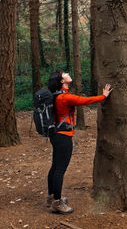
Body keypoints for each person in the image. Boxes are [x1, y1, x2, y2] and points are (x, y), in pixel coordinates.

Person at [47, 69, 113, 214]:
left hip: (56, 134)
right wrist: (103, 96)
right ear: (61, 81)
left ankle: (51, 197)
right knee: (60, 169)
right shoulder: (64, 97)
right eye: (65, 74)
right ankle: (57, 203)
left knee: (55, 166)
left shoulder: (57, 95)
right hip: (63, 136)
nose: (67, 74)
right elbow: (85, 101)